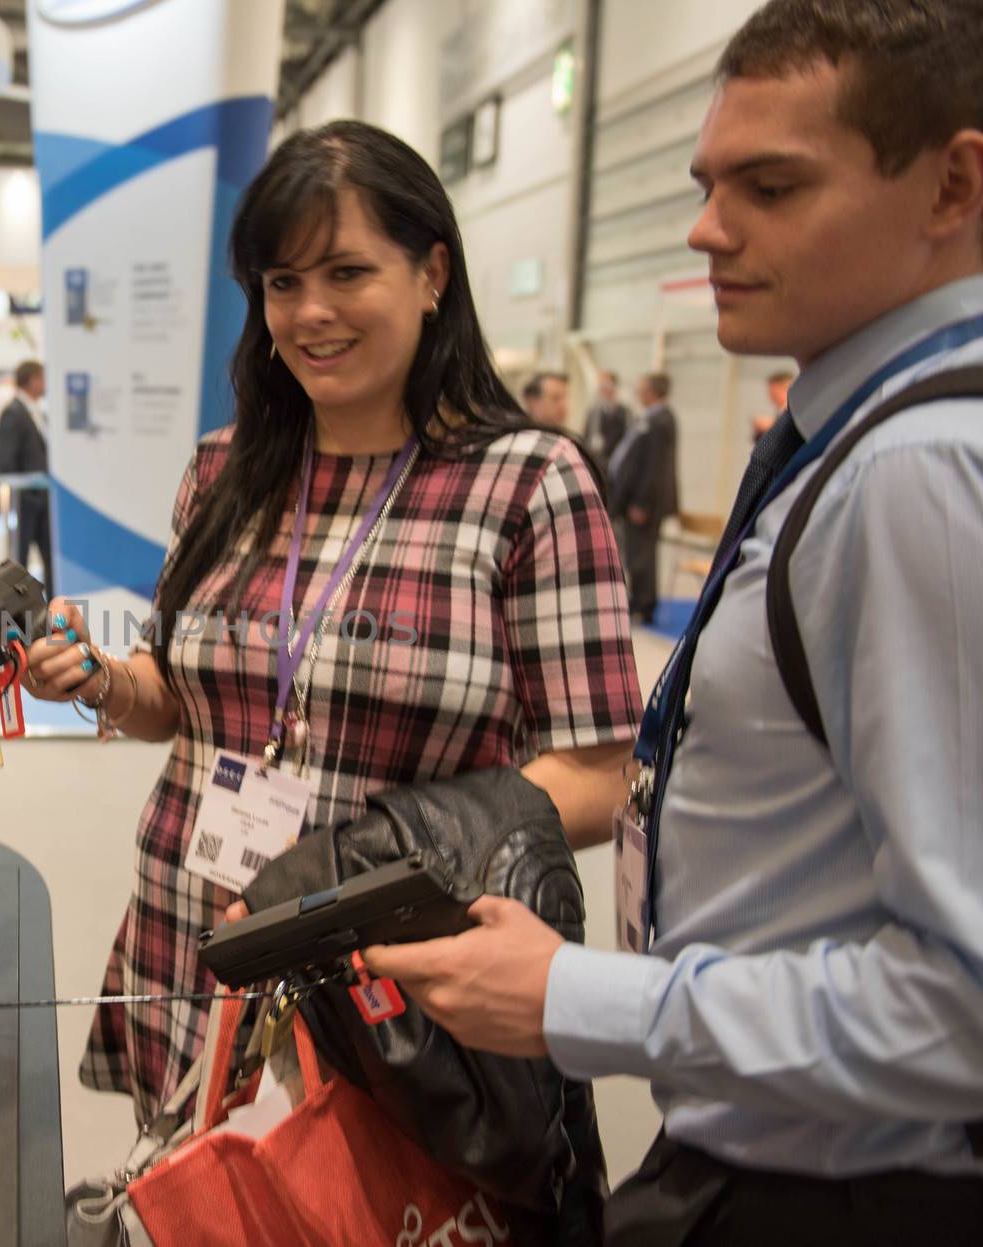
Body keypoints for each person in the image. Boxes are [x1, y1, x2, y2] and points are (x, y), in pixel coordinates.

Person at [364, 2, 983, 1241]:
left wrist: (584, 998)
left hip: (834, 1195)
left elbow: (962, 1011)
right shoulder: (846, 444)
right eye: (709, 182)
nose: (706, 229)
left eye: (768, 185)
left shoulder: (913, 477)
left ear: (952, 184)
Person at [21, 119, 643, 1124]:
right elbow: (182, 701)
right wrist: (99, 678)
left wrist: (365, 859)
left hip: (390, 983)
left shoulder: (527, 482)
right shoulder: (224, 471)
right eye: (280, 283)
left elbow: (601, 772)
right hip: (197, 935)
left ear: (431, 271)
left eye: (347, 272)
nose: (310, 312)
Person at [607, 373, 679, 623]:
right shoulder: (647, 417)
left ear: (652, 391)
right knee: (635, 552)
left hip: (644, 503)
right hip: (631, 499)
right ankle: (637, 598)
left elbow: (656, 467)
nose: (638, 391)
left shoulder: (661, 420)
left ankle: (644, 605)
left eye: (642, 387)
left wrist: (643, 503)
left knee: (643, 555)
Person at [0, 360, 53, 599]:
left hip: (44, 500)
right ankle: (21, 615)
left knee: (51, 559)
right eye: (42, 378)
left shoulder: (37, 410)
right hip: (25, 501)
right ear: (32, 380)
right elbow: (5, 462)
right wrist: (23, 492)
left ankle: (54, 612)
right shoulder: (13, 412)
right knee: (20, 563)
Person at [583, 369, 631, 463]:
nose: (602, 387)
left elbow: (627, 438)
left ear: (614, 385)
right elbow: (586, 435)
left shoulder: (624, 412)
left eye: (605, 383)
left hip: (617, 461)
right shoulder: (593, 411)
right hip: (597, 460)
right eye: (600, 384)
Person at [750, 367, 794, 439]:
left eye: (773, 392)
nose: (770, 395)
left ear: (785, 387)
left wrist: (770, 426)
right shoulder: (781, 410)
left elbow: (791, 430)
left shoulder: (793, 409)